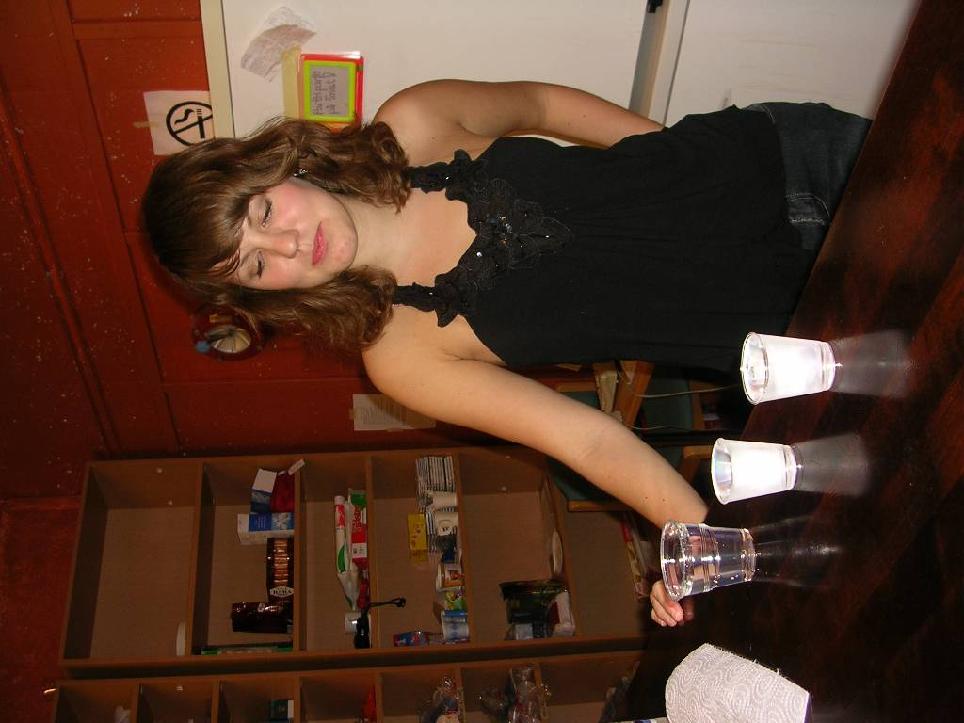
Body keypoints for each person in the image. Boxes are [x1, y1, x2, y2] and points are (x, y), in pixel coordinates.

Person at [143, 80, 868, 628]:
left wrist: (668, 148)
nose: (289, 245)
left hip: (782, 158)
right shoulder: (400, 359)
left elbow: (543, 105)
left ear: (274, 168)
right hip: (782, 326)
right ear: (264, 298)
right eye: (257, 265)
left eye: (264, 213)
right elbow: (583, 438)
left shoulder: (414, 118)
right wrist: (693, 534)